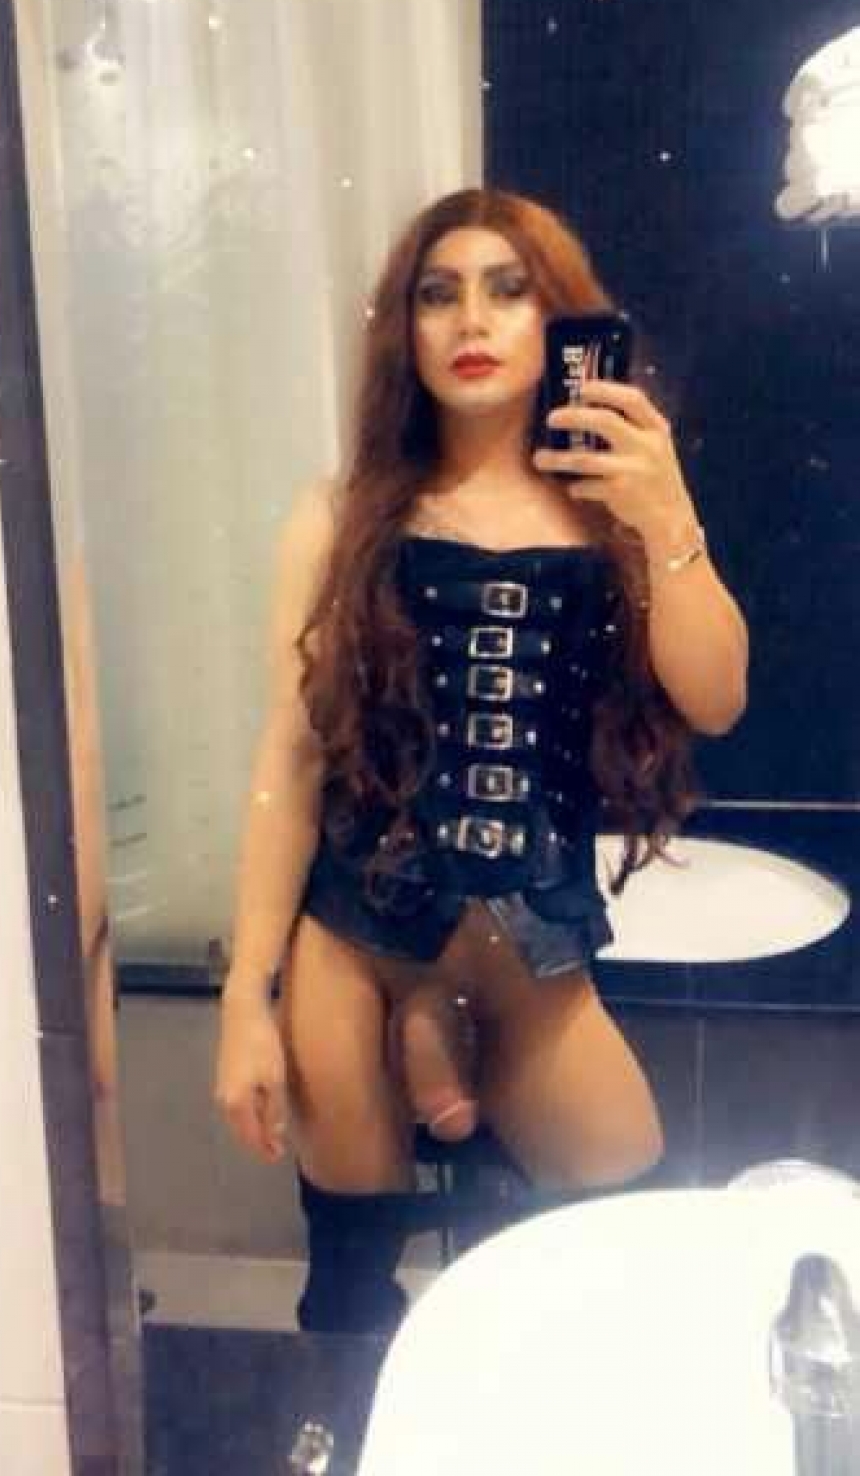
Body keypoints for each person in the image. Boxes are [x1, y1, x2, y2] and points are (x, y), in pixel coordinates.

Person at [214, 187, 749, 1334]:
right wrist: (245, 995)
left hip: (530, 943)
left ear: (560, 320)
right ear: (403, 330)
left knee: (635, 1247)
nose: (471, 318)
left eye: (509, 290)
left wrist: (667, 515)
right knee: (352, 1286)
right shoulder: (342, 518)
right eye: (438, 293)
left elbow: (717, 698)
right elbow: (291, 760)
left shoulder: (614, 516)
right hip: (353, 942)